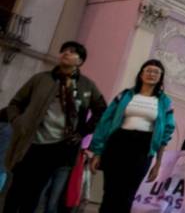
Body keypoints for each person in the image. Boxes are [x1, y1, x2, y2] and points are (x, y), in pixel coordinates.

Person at [3, 41, 106, 213]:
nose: (66, 53)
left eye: (72, 52)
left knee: (36, 192)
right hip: (30, 142)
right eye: (63, 50)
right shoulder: (41, 79)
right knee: (16, 188)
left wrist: (83, 132)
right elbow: (16, 103)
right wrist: (17, 121)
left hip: (57, 147)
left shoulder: (86, 85)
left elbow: (102, 110)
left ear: (80, 61)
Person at [89, 59, 175, 213]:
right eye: (148, 70)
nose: (151, 74)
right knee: (110, 193)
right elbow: (105, 121)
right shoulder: (125, 95)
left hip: (143, 148)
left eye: (156, 72)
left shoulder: (165, 102)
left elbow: (166, 134)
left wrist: (158, 163)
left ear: (160, 77)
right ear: (141, 74)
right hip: (118, 143)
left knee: (127, 195)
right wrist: (97, 152)